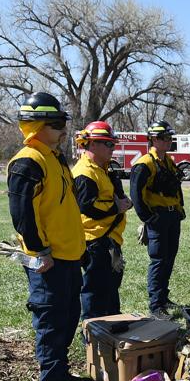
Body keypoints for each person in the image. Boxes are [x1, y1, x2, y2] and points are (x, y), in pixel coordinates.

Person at [6, 92, 87, 381]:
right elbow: (23, 214)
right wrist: (40, 251)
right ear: (37, 126)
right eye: (56, 124)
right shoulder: (28, 160)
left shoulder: (54, 158)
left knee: (67, 318)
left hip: (68, 257)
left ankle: (61, 374)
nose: (63, 129)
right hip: (47, 260)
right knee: (51, 322)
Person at [72, 121, 131, 320]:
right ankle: (93, 332)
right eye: (108, 144)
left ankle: (112, 323)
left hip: (109, 239)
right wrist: (117, 207)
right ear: (93, 144)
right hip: (95, 242)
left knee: (110, 288)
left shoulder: (102, 169)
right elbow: (87, 207)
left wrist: (123, 202)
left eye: (112, 144)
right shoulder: (84, 173)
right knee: (95, 290)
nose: (112, 149)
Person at [130, 120, 185, 321]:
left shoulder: (168, 161)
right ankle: (155, 305)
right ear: (152, 139)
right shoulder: (144, 164)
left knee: (169, 258)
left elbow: (175, 187)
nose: (167, 141)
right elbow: (136, 194)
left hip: (172, 216)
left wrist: (180, 208)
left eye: (169, 137)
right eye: (163, 137)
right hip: (158, 217)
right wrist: (147, 218)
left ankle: (163, 297)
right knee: (158, 260)